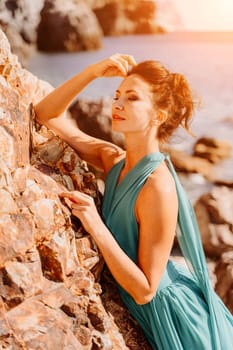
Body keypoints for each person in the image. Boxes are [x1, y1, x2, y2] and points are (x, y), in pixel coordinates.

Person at [34, 54, 233, 349]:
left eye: (132, 98)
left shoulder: (157, 187)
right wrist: (92, 72)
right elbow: (45, 114)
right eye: (116, 96)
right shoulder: (113, 158)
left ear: (158, 115)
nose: (117, 104)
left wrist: (95, 225)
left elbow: (145, 292)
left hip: (175, 321)